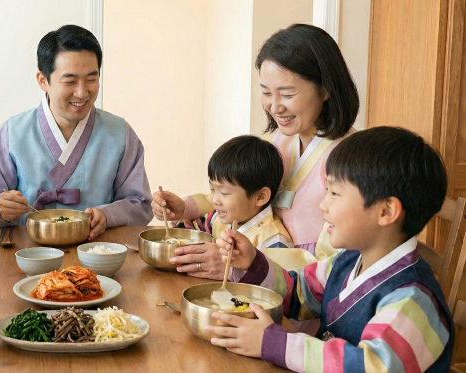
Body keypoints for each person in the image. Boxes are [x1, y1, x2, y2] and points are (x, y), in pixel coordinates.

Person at [209, 127, 453, 372]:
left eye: (335, 193)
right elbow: (298, 294)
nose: (323, 205)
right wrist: (252, 262)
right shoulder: (347, 261)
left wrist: (274, 342)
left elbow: (371, 367)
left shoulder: (413, 299)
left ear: (386, 211)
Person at [154, 24, 357, 278]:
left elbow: (339, 264)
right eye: (265, 93)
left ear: (326, 88)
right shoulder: (277, 141)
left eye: (287, 94)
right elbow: (237, 195)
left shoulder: (352, 161)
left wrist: (239, 262)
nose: (274, 107)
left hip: (298, 300)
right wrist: (185, 207)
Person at [0, 25, 152, 239]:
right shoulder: (13, 134)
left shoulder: (120, 134)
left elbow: (140, 204)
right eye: (70, 81)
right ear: (43, 80)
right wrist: (0, 208)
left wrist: (107, 215)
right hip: (27, 256)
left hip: (98, 255)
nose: (82, 92)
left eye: (91, 79)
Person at [166, 136, 301, 272]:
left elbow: (279, 284)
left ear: (260, 196)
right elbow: (191, 233)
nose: (214, 200)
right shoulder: (218, 218)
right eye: (212, 189)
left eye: (224, 193)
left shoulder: (274, 241)